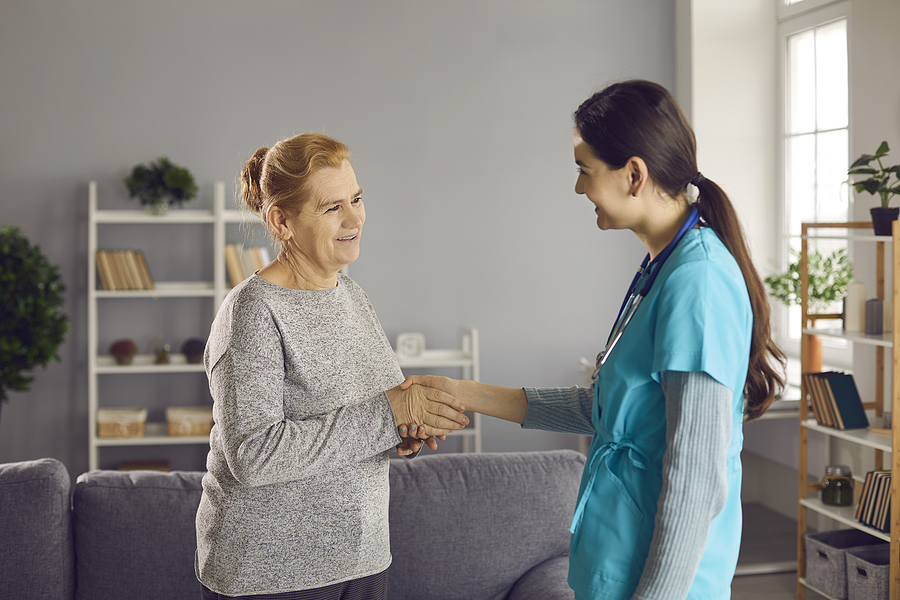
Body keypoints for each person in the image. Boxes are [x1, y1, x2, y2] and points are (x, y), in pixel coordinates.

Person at [400, 80, 785, 600]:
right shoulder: (663, 267)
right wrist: (463, 394)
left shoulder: (700, 283)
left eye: (584, 170)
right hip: (613, 568)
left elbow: (696, 481)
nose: (579, 188)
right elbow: (604, 409)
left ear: (633, 174)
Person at [195, 132, 469, 600]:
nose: (355, 218)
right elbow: (253, 455)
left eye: (357, 199)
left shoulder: (351, 294)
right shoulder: (252, 313)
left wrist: (401, 434)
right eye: (332, 207)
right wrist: (388, 415)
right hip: (270, 575)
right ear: (281, 221)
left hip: (363, 558)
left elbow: (361, 418)